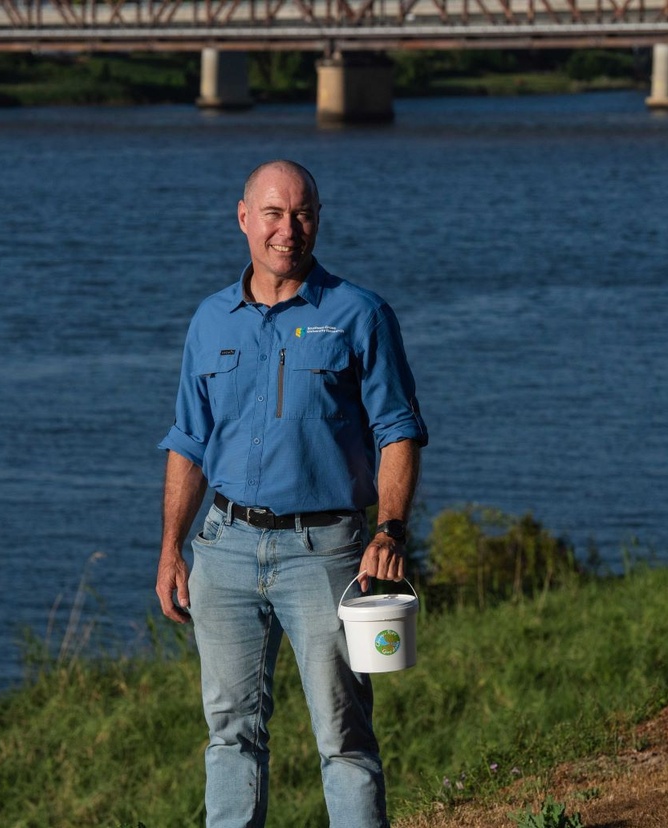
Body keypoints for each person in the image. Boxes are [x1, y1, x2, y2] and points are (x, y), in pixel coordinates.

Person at [156, 160, 428, 828]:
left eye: (303, 213)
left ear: (318, 220)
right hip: (223, 549)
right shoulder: (210, 320)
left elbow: (398, 432)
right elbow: (188, 443)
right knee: (230, 734)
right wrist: (171, 549)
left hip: (328, 551)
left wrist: (389, 532)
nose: (288, 229)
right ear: (244, 217)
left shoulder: (360, 315)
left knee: (343, 739)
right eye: (274, 213)